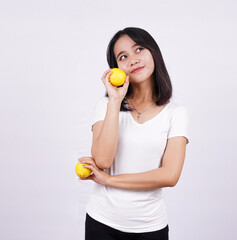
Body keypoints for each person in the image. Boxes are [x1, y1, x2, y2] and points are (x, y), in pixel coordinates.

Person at [79, 27, 189, 240]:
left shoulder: (176, 113)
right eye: (123, 56)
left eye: (139, 49)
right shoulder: (106, 105)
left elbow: (170, 175)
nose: (133, 59)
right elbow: (102, 160)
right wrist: (115, 100)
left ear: (153, 53)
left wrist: (109, 180)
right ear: (116, 68)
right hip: (101, 222)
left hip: (150, 227)